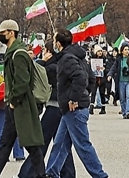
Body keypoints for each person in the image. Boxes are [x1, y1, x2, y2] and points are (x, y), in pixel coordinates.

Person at [0, 20, 45, 178]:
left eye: (3, 32)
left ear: (11, 33)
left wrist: (13, 101)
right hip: (14, 104)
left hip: (20, 105)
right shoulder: (14, 51)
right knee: (6, 142)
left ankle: (41, 174)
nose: (0, 35)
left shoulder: (18, 54)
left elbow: (22, 81)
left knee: (30, 143)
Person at [43, 30, 107, 178]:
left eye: (54, 40)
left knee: (82, 145)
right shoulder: (78, 56)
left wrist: (75, 98)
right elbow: (90, 78)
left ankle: (100, 175)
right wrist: (85, 95)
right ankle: (51, 172)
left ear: (58, 43)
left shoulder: (66, 58)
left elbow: (80, 77)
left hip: (74, 107)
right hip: (70, 108)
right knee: (60, 143)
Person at [37, 37, 76, 178]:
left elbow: (36, 72)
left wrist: (43, 61)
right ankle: (68, 173)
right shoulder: (61, 64)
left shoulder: (52, 67)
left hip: (54, 106)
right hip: (59, 106)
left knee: (41, 141)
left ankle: (30, 172)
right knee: (61, 144)